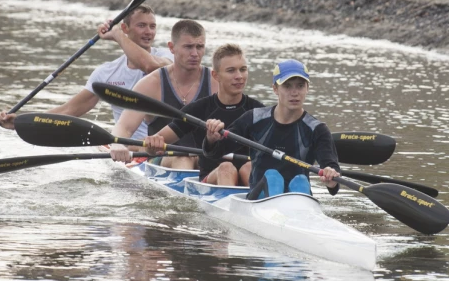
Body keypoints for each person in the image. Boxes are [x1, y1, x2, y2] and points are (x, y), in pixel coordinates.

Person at [0, 5, 173, 139]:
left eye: (152, 26)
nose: (149, 32)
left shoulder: (166, 57)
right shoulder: (106, 73)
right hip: (126, 150)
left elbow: (150, 67)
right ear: (126, 28)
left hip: (162, 146)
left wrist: (117, 35)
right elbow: (69, 110)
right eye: (142, 25)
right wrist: (21, 122)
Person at [202, 59, 341, 199]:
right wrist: (211, 139)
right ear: (275, 88)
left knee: (301, 180)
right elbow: (214, 153)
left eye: (300, 86)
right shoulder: (254, 119)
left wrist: (331, 179)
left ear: (307, 88)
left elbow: (332, 175)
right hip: (259, 199)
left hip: (299, 199)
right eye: (287, 86)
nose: (294, 93)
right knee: (272, 176)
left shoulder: (317, 129)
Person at [143, 44, 264, 186]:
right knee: (227, 168)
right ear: (215, 75)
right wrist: (152, 145)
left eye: (243, 69)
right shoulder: (199, 109)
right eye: (231, 71)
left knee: (248, 167)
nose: (239, 76)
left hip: (246, 176)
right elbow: (152, 147)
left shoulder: (258, 111)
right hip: (210, 180)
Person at [109, 19, 219, 168]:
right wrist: (118, 144)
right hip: (161, 160)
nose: (195, 53)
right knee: (183, 158)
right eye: (188, 47)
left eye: (200, 47)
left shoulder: (216, 82)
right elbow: (125, 127)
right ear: (171, 47)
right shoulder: (151, 84)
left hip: (205, 159)